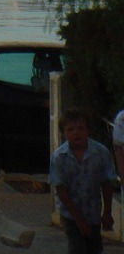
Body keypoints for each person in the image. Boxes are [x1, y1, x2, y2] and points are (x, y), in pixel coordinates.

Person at [50, 108, 114, 254]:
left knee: (94, 248)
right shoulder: (59, 157)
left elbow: (107, 183)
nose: (76, 133)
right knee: (77, 248)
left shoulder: (101, 153)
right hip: (70, 213)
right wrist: (79, 220)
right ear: (64, 133)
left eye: (80, 128)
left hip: (93, 212)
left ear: (88, 130)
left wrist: (107, 212)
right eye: (71, 129)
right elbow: (61, 189)